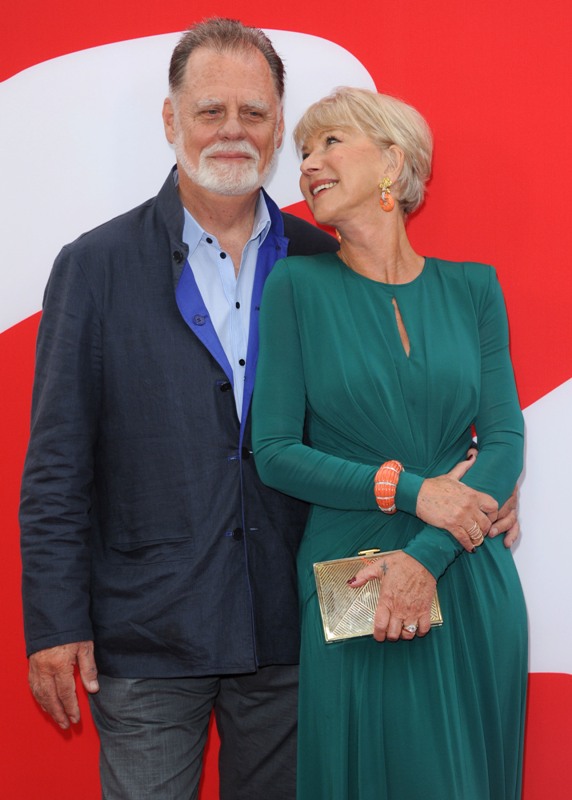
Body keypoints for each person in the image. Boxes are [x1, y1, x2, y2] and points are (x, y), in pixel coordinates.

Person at [19, 18, 340, 800]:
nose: (232, 130)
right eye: (210, 111)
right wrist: (57, 623)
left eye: (253, 112)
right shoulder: (94, 266)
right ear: (171, 121)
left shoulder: (324, 263)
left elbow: (360, 425)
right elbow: (57, 466)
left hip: (292, 624)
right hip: (147, 632)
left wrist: (465, 468)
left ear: (278, 127)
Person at [252, 87, 527, 799]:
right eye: (303, 152)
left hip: (466, 567)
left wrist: (427, 554)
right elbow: (274, 451)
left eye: (330, 142)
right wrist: (411, 491)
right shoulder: (295, 286)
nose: (309, 164)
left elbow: (504, 438)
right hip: (356, 576)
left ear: (392, 163)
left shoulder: (474, 289)